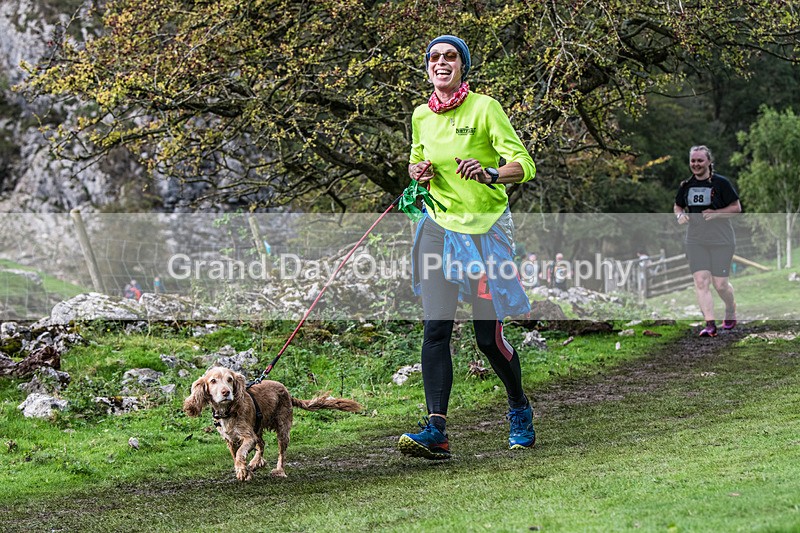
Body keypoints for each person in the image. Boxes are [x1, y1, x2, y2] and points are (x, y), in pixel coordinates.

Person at [400, 35, 537, 460]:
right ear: (427, 67)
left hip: (483, 233)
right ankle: (436, 430)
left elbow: (525, 165)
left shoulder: (484, 108)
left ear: (463, 66)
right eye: (435, 57)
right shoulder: (421, 115)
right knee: (435, 329)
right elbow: (416, 161)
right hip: (438, 227)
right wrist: (416, 170)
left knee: (485, 337)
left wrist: (492, 173)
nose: (442, 62)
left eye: (451, 57)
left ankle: (519, 407)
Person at [673, 145, 741, 337]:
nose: (696, 164)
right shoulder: (686, 186)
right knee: (701, 281)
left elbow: (736, 208)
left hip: (721, 239)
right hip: (696, 240)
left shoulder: (721, 183)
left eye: (700, 160)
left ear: (709, 162)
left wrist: (717, 213)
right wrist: (679, 216)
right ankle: (710, 324)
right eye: (693, 161)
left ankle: (730, 307)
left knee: (720, 285)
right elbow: (678, 206)